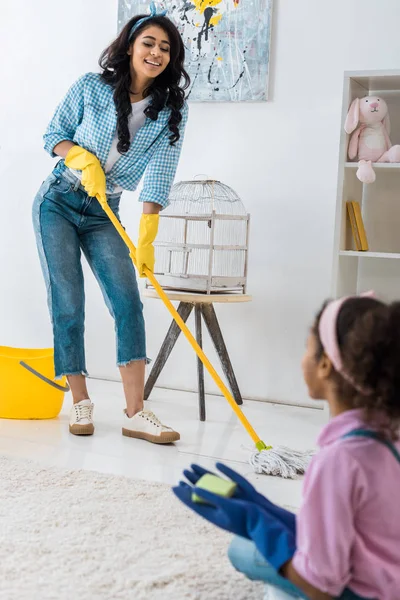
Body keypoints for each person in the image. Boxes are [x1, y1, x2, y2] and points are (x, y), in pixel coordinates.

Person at [174, 292, 400, 599]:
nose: (302, 358)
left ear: (324, 365)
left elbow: (322, 586)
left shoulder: (338, 461)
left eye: (307, 349)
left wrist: (257, 524)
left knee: (243, 550)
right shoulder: (390, 439)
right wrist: (267, 510)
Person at [32, 3, 190, 443]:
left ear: (171, 58)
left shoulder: (171, 111)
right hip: (59, 202)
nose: (156, 53)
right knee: (68, 302)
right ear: (131, 46)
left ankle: (136, 413)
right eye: (148, 43)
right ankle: (80, 401)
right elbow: (53, 134)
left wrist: (147, 237)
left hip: (106, 212)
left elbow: (160, 173)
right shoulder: (90, 87)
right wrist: (80, 156)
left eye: (165, 48)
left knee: (127, 303)